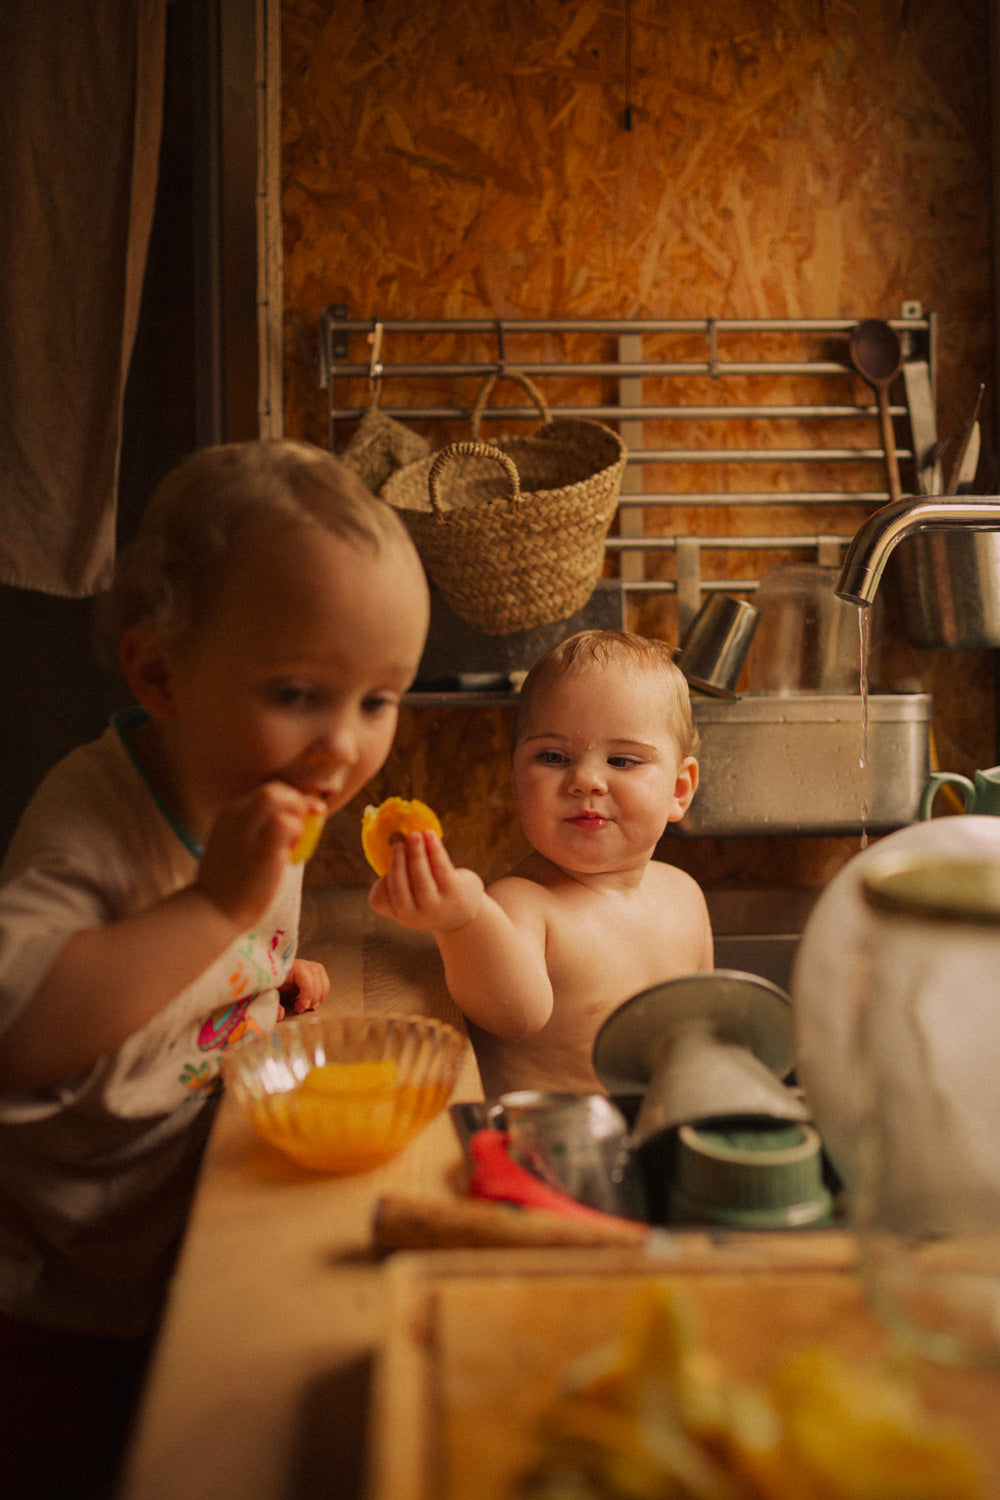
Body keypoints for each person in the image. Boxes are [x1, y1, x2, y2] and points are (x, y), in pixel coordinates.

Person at [0, 439, 430, 1499]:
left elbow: (213, 954)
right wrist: (213, 909)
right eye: (299, 692)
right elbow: (16, 1031)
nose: (342, 745)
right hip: (57, 1288)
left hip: (185, 1228)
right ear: (160, 673)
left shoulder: (261, 778)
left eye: (378, 700)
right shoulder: (92, 826)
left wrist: (259, 983)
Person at [370, 629, 713, 1096]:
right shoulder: (521, 904)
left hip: (657, 1138)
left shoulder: (685, 896)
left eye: (623, 760)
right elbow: (517, 1015)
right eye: (553, 756)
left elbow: (705, 1034)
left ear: (678, 790)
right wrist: (462, 921)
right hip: (543, 1149)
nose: (586, 780)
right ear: (515, 780)